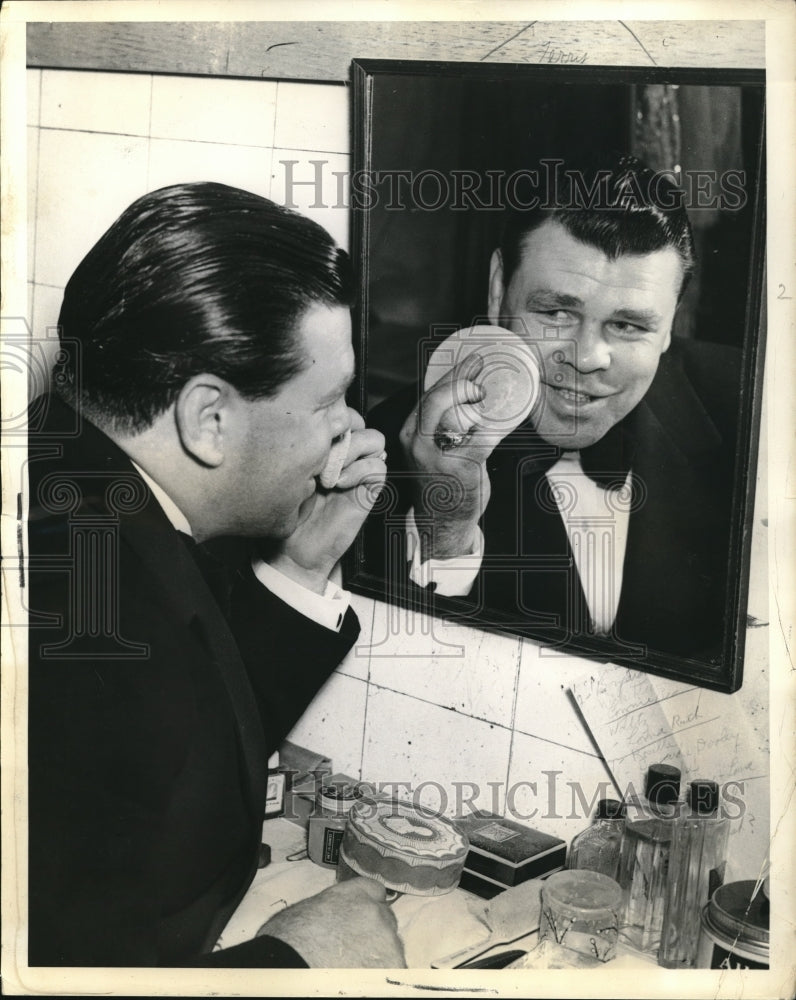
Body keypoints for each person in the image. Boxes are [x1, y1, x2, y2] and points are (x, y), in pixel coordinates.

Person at [27, 182, 404, 967]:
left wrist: (304, 560)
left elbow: (165, 765)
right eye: (330, 399)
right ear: (210, 420)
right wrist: (297, 966)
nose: (349, 428)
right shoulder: (83, 613)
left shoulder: (77, 491)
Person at [367, 156, 739, 661]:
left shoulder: (750, 411)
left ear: (673, 322)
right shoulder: (382, 447)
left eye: (628, 326)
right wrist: (446, 534)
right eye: (557, 311)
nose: (586, 358)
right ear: (499, 287)